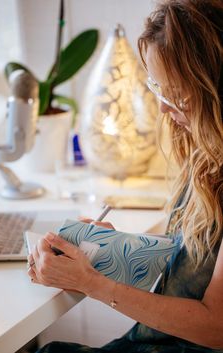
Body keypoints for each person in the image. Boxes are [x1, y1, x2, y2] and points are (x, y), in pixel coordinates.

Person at [27, 0, 223, 352]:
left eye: (176, 94)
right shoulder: (205, 157)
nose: (163, 106)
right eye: (157, 87)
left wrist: (92, 284)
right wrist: (116, 251)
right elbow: (190, 266)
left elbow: (216, 327)